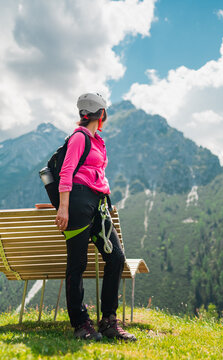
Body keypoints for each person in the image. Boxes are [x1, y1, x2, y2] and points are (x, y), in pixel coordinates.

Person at [55, 93, 137, 341]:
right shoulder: (79, 137)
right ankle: (81, 324)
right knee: (77, 264)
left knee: (116, 258)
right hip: (78, 202)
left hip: (98, 203)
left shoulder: (97, 140)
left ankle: (109, 322)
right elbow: (67, 171)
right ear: (101, 114)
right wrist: (64, 207)